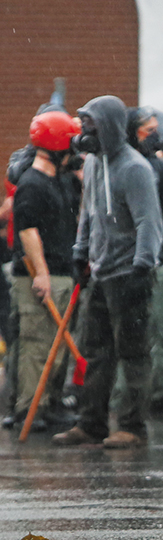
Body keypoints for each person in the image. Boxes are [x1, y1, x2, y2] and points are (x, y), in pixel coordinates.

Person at [52, 95, 163, 448]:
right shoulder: (92, 164)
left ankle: (133, 426)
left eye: (91, 124)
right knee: (95, 352)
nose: (84, 131)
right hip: (100, 274)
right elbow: (88, 214)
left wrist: (142, 265)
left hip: (129, 275)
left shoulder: (135, 169)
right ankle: (92, 422)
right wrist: (80, 253)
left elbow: (150, 223)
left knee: (132, 354)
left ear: (111, 128)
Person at [1, 111, 81, 432]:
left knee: (54, 345)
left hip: (62, 271)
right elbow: (27, 231)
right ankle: (28, 409)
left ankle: (47, 403)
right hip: (40, 274)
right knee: (36, 345)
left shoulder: (59, 181)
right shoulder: (32, 185)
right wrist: (42, 273)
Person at [122, 106, 163, 416]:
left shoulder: (158, 170)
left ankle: (157, 392)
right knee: (129, 331)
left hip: (155, 259)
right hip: (125, 260)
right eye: (148, 129)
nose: (154, 136)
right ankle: (124, 397)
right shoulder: (121, 165)